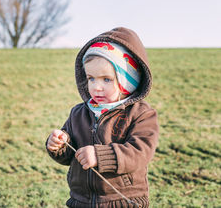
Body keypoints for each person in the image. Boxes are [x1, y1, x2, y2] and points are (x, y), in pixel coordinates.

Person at [46, 27, 159, 208]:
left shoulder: (140, 114)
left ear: (127, 81)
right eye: (91, 78)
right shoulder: (79, 113)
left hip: (122, 201)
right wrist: (59, 144)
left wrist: (100, 156)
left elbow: (140, 152)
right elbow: (69, 156)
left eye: (106, 79)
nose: (96, 87)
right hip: (81, 200)